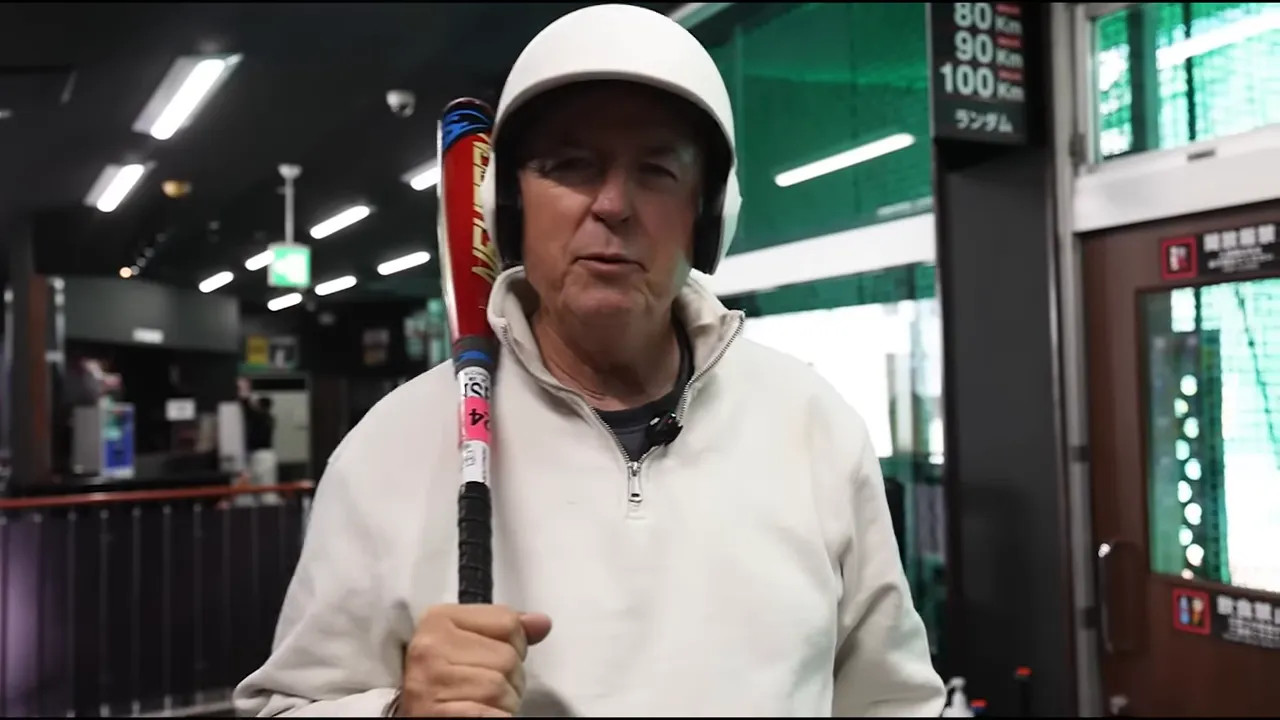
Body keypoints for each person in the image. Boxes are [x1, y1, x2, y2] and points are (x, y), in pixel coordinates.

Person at [234, 4, 945, 717]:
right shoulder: (392, 447)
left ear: (706, 215)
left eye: (657, 170)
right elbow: (282, 707)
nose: (612, 204)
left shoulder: (810, 427)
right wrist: (397, 714)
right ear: (509, 209)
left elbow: (893, 702)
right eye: (570, 166)